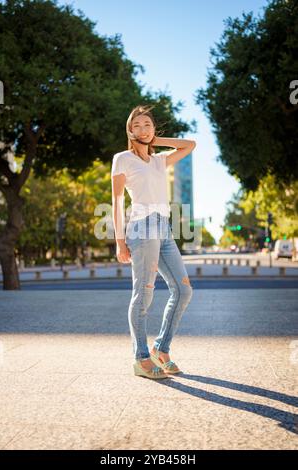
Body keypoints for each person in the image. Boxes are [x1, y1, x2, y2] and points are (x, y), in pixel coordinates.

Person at [111, 104, 196, 379]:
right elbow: (116, 200)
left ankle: (161, 348)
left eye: (147, 124)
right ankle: (141, 357)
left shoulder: (159, 160)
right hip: (141, 228)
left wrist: (155, 141)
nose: (142, 129)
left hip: (164, 228)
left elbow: (189, 144)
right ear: (129, 130)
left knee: (183, 291)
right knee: (143, 295)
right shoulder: (122, 158)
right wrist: (119, 241)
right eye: (136, 126)